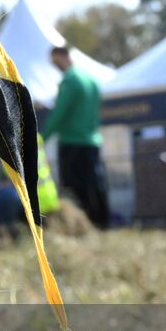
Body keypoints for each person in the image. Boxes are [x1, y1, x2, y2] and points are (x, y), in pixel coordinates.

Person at [41, 45, 109, 228]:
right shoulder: (91, 80)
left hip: (73, 142)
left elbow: (60, 112)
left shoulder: (70, 80)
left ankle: (83, 224)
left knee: (74, 186)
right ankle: (103, 221)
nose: (55, 66)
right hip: (92, 140)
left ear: (63, 57)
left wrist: (43, 137)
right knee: (95, 182)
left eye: (55, 61)